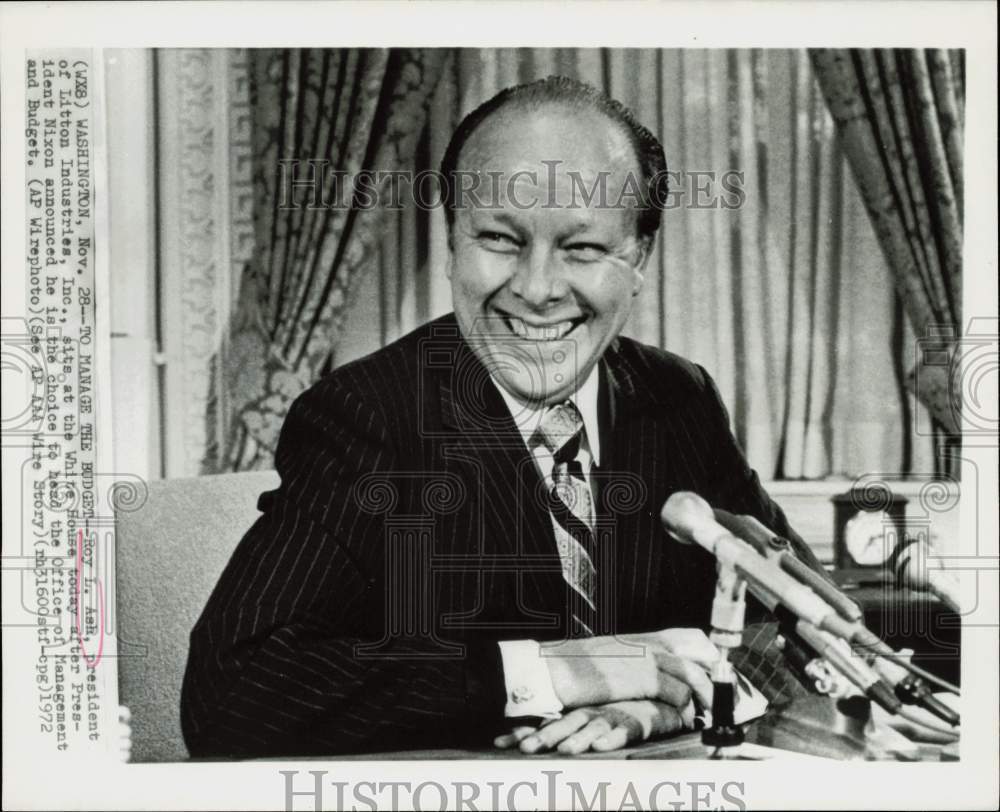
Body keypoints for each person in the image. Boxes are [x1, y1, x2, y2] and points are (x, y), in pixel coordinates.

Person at [180, 76, 822, 759]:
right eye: (499, 239)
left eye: (582, 248)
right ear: (454, 242)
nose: (538, 289)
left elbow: (806, 637)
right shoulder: (368, 416)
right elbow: (233, 694)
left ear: (639, 259)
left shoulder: (677, 396)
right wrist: (551, 672)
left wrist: (671, 701)